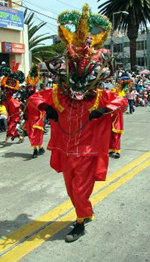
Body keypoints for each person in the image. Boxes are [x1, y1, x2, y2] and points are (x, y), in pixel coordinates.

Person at [31, 4, 127, 242]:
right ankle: (85, 212)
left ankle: (80, 222)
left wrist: (104, 109)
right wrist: (49, 109)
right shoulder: (59, 96)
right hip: (66, 150)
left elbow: (121, 101)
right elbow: (34, 99)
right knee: (71, 188)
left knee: (80, 189)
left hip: (85, 152)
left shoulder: (98, 98)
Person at [24, 64, 45, 158]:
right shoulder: (28, 99)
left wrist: (40, 119)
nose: (28, 89)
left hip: (37, 120)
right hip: (30, 120)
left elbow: (43, 110)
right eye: (28, 87)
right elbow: (26, 110)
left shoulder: (38, 98)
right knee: (32, 135)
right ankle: (39, 148)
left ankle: (36, 150)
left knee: (37, 135)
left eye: (30, 87)